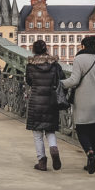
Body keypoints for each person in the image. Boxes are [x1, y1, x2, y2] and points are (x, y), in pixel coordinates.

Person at [60, 35, 95, 174]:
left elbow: (74, 80)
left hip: (84, 101)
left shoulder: (79, 59)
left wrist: (59, 83)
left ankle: (90, 154)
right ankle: (91, 163)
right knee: (93, 131)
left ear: (83, 46)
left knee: (81, 130)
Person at [25, 39, 64, 171]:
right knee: (50, 130)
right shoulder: (55, 65)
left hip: (36, 101)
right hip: (51, 101)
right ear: (46, 49)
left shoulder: (30, 65)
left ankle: (42, 161)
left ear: (34, 50)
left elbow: (29, 81)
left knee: (37, 134)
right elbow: (61, 79)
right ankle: (54, 149)